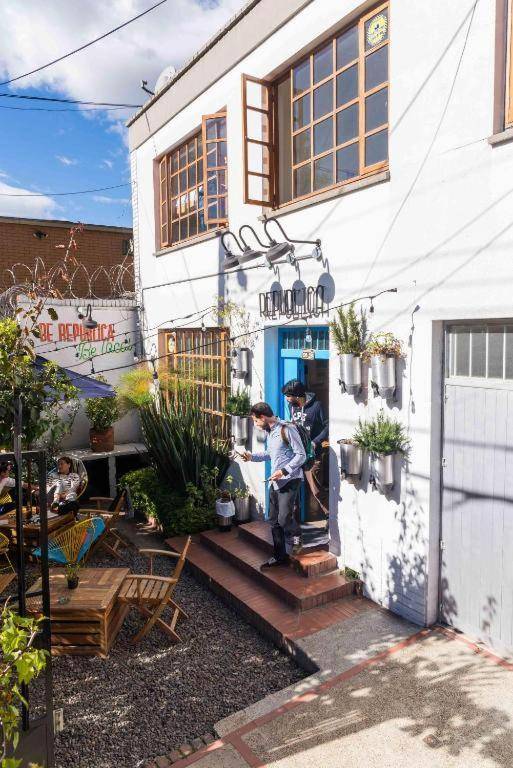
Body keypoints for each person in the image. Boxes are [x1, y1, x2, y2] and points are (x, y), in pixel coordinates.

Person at [243, 402, 306, 569]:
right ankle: (280, 556)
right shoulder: (270, 433)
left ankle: (297, 536)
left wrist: (284, 471)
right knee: (273, 520)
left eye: (255, 421)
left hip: (290, 480)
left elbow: (301, 455)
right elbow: (270, 454)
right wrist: (251, 457)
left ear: (262, 417)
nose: (255, 425)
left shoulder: (287, 429)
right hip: (275, 481)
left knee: (284, 518)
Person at [281, 379, 329, 517]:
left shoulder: (317, 406)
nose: (287, 398)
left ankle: (329, 518)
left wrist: (315, 442)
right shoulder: (292, 407)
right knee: (292, 487)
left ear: (297, 395)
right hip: (296, 454)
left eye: (288, 396)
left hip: (313, 455)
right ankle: (292, 519)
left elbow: (328, 426)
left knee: (316, 490)